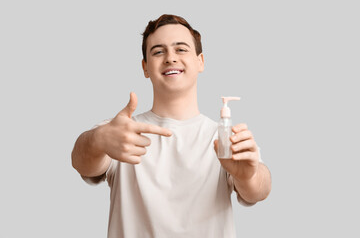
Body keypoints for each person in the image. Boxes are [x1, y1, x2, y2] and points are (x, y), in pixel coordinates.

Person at [72, 14, 271, 238]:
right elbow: (81, 163)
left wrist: (248, 177)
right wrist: (98, 140)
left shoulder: (223, 139)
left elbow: (259, 190)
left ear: (200, 61)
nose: (170, 58)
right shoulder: (122, 133)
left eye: (181, 49)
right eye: (158, 51)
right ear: (145, 68)